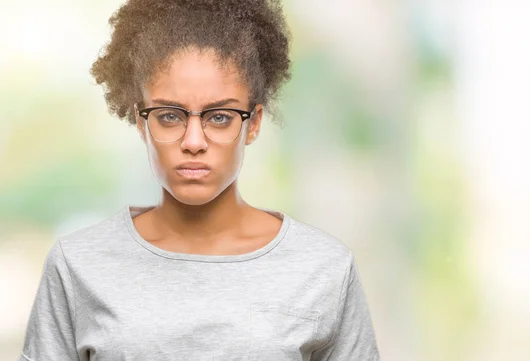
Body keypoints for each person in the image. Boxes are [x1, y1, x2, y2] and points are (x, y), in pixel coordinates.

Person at [18, 0, 380, 360]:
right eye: (170, 116)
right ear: (142, 122)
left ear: (252, 123)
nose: (193, 142)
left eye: (219, 117)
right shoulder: (78, 264)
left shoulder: (323, 268)